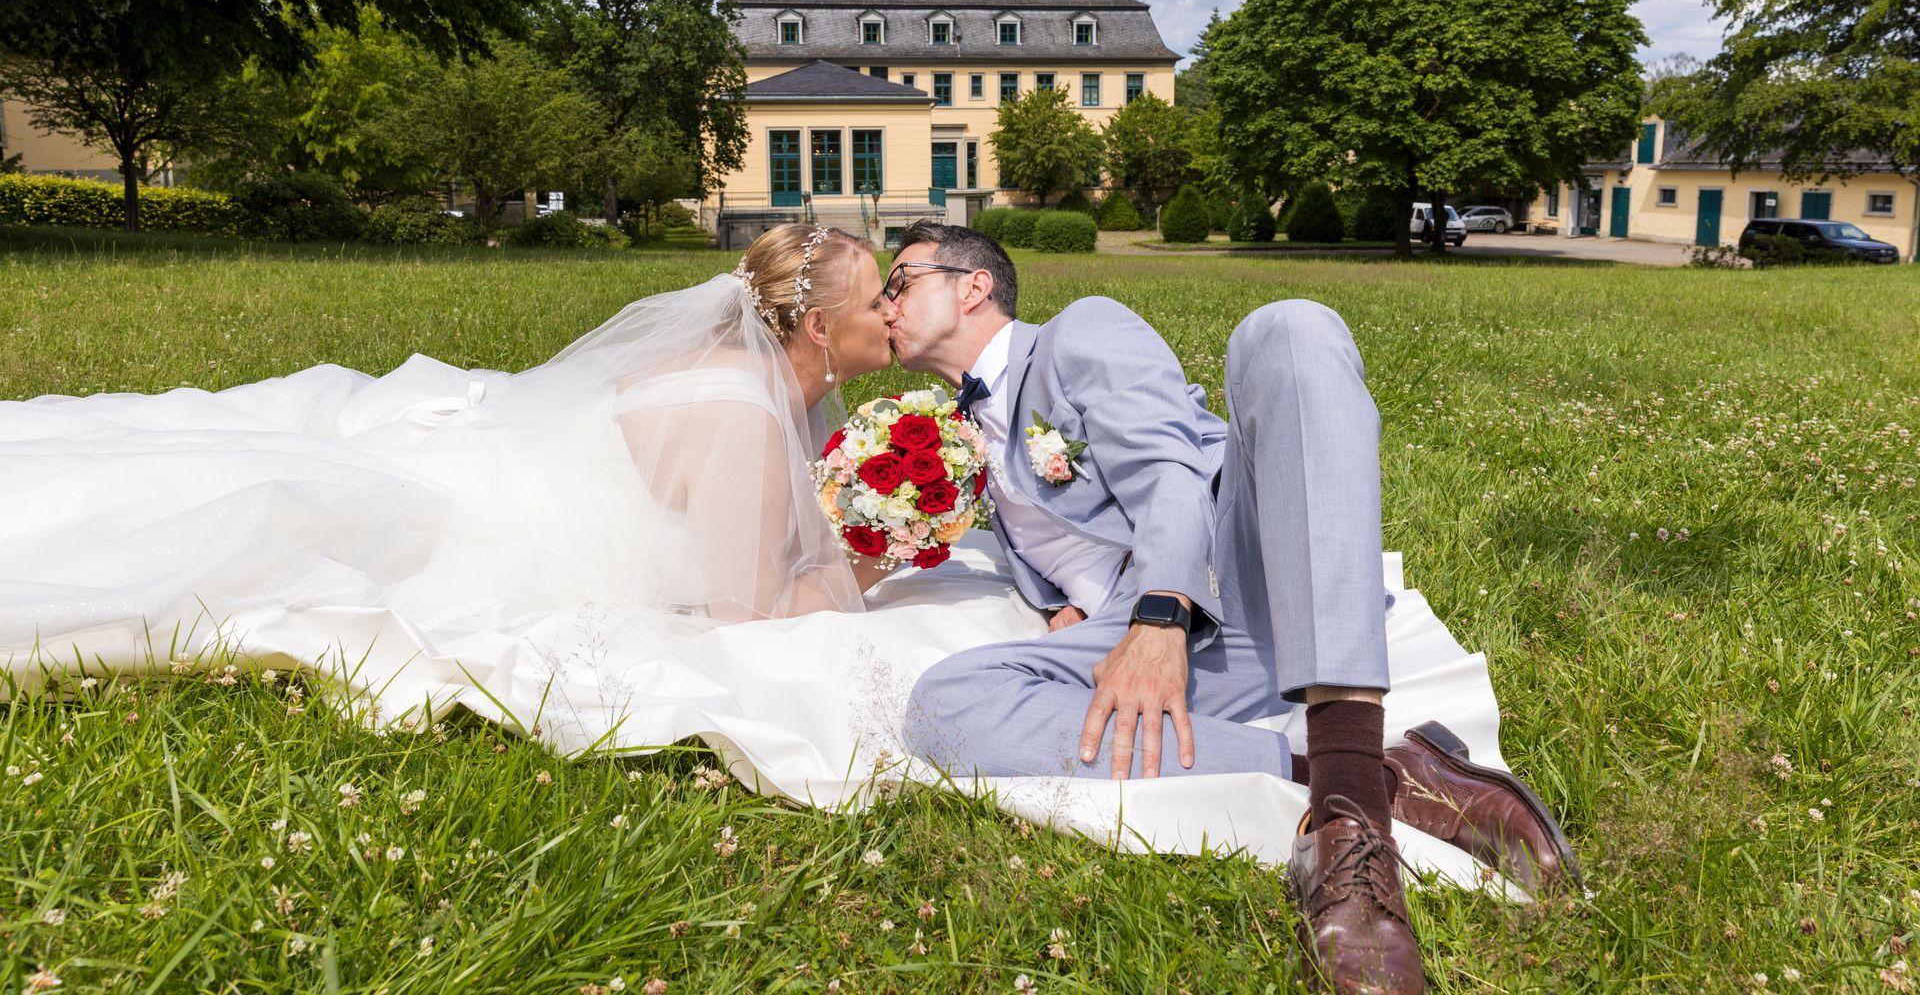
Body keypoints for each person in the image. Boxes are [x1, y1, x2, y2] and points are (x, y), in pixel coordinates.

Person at [884, 221, 1579, 995]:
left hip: (1228, 570)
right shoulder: (962, 438)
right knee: (941, 704)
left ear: (972, 285)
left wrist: (1161, 613)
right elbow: (1051, 557)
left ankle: (1349, 826)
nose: (887, 304)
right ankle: (1382, 775)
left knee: (1287, 329)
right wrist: (1066, 618)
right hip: (1139, 633)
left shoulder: (1078, 333)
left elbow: (1171, 469)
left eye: (900, 280)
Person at [0, 224, 897, 678]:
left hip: (503, 454)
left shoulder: (788, 385)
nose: (893, 312)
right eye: (877, 302)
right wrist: (877, 558)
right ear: (817, 327)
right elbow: (744, 622)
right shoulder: (745, 407)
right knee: (238, 520)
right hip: (479, 513)